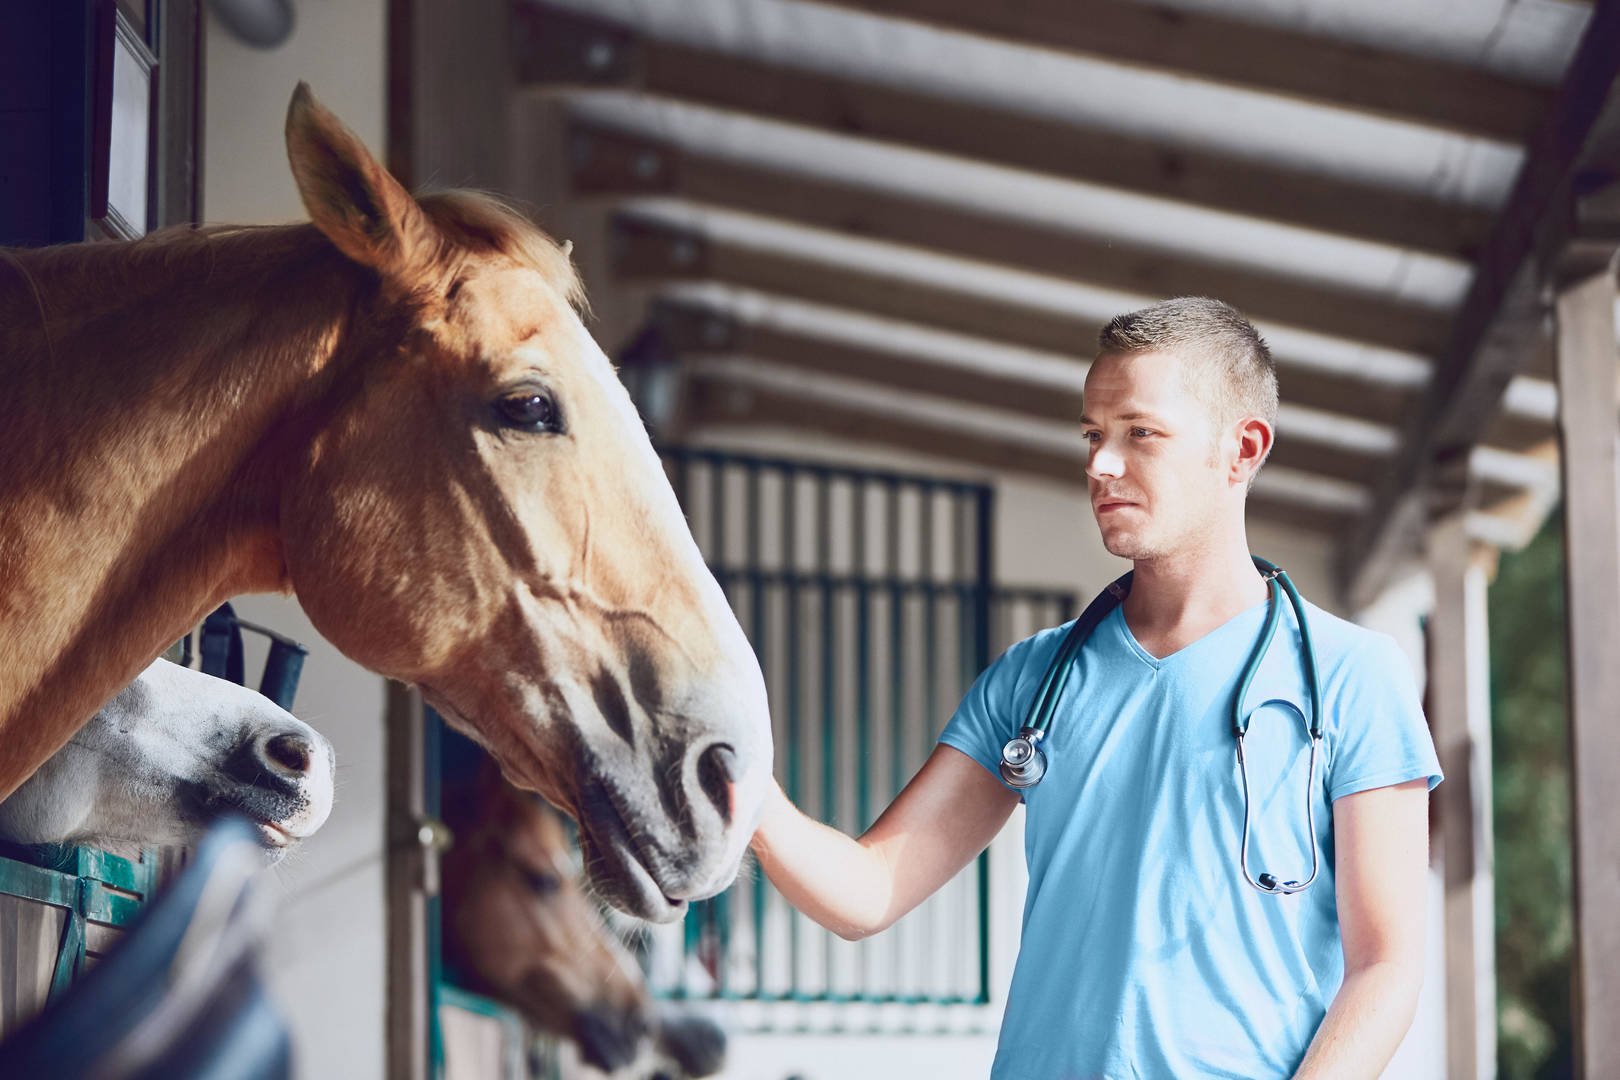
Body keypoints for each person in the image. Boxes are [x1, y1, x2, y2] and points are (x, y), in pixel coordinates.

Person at [748, 297, 1443, 1080]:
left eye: (1139, 433)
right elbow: (867, 891)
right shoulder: (1034, 680)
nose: (1100, 465)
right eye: (1092, 434)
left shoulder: (1352, 678)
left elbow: (1385, 965)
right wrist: (738, 782)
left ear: (1241, 450)